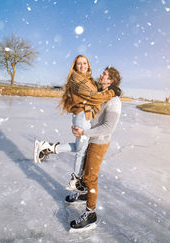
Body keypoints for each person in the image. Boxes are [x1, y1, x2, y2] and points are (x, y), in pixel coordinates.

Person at [35, 66, 122, 231]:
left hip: (99, 142)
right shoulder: (99, 93)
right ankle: (82, 194)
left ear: (110, 81)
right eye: (103, 72)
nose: (101, 74)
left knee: (90, 177)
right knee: (83, 170)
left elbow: (108, 127)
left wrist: (85, 132)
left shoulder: (114, 101)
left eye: (105, 74)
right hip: (90, 138)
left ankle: (90, 214)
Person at [34, 55, 115, 191]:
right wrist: (111, 93)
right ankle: (75, 181)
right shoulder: (76, 80)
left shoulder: (88, 79)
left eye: (84, 63)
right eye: (79, 64)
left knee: (79, 147)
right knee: (81, 152)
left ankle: (47, 147)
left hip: (84, 116)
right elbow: (93, 97)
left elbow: (95, 93)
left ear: (88, 64)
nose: (82, 66)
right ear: (75, 66)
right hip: (82, 116)